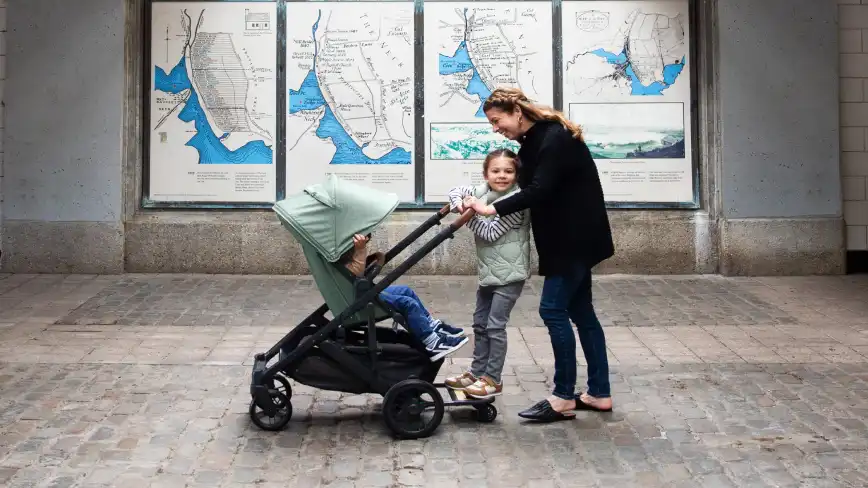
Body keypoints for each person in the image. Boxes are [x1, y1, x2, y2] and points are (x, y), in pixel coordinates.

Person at [467, 87, 615, 422]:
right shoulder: (534, 142)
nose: (495, 128)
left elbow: (539, 190)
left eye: (497, 120)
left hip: (573, 239)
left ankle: (563, 396)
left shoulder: (553, 139)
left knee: (552, 309)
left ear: (516, 112)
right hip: (568, 238)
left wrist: (490, 210)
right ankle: (599, 392)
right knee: (582, 313)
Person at [441, 149, 531, 399]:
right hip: (489, 274)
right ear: (486, 173)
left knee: (495, 327)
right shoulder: (482, 192)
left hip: (510, 275)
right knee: (480, 325)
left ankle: (493, 379)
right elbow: (457, 191)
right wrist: (463, 204)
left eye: (508, 171)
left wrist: (467, 217)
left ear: (516, 174)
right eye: (496, 171)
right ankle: (476, 373)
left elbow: (490, 233)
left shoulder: (516, 202)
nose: (502, 176)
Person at [340, 234, 469, 361]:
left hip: (361, 294)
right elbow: (355, 273)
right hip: (360, 300)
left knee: (406, 291)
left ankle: (430, 324)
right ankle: (433, 343)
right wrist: (361, 249)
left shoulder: (342, 251)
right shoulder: (341, 254)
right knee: (408, 303)